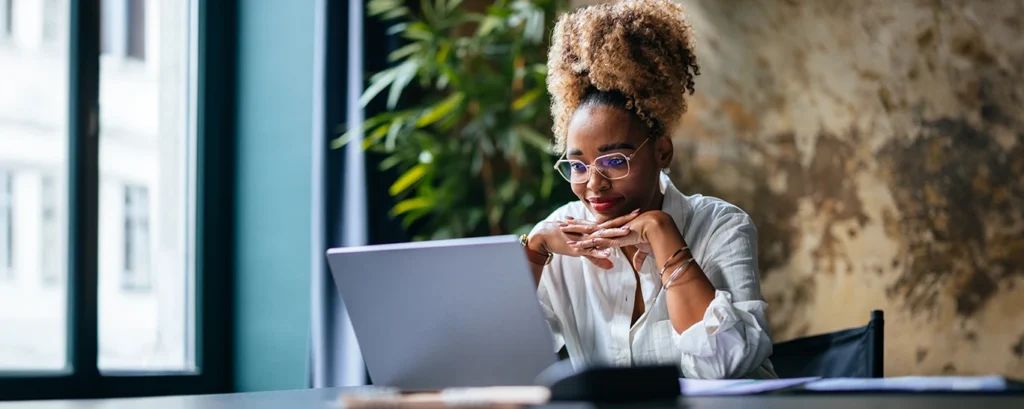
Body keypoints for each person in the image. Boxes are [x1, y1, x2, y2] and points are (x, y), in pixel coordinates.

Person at [520, 0, 777, 379]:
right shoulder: (562, 234)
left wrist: (662, 234)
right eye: (577, 165)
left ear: (662, 150)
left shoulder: (722, 226)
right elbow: (497, 356)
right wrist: (534, 252)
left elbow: (724, 366)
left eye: (613, 161)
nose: (593, 184)